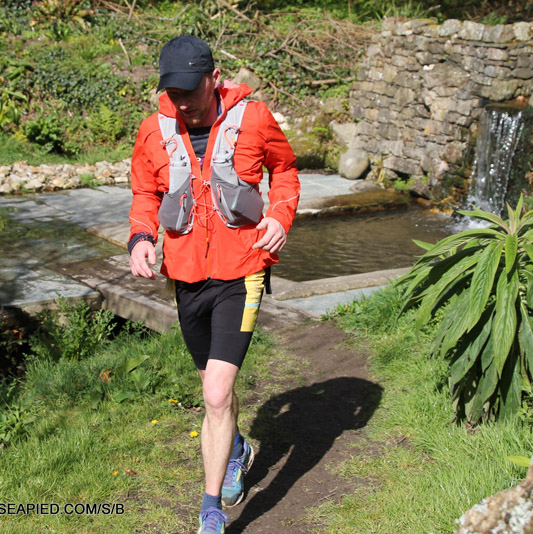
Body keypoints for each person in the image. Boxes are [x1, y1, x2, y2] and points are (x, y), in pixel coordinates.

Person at [127, 35, 300, 534]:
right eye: (173, 92)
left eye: (190, 90)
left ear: (214, 78)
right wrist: (141, 237)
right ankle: (237, 448)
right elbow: (145, 192)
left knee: (219, 393)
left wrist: (280, 216)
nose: (182, 101)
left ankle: (211, 510)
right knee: (212, 390)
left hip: (242, 268)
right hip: (185, 274)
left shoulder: (255, 118)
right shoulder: (153, 131)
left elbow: (285, 171)